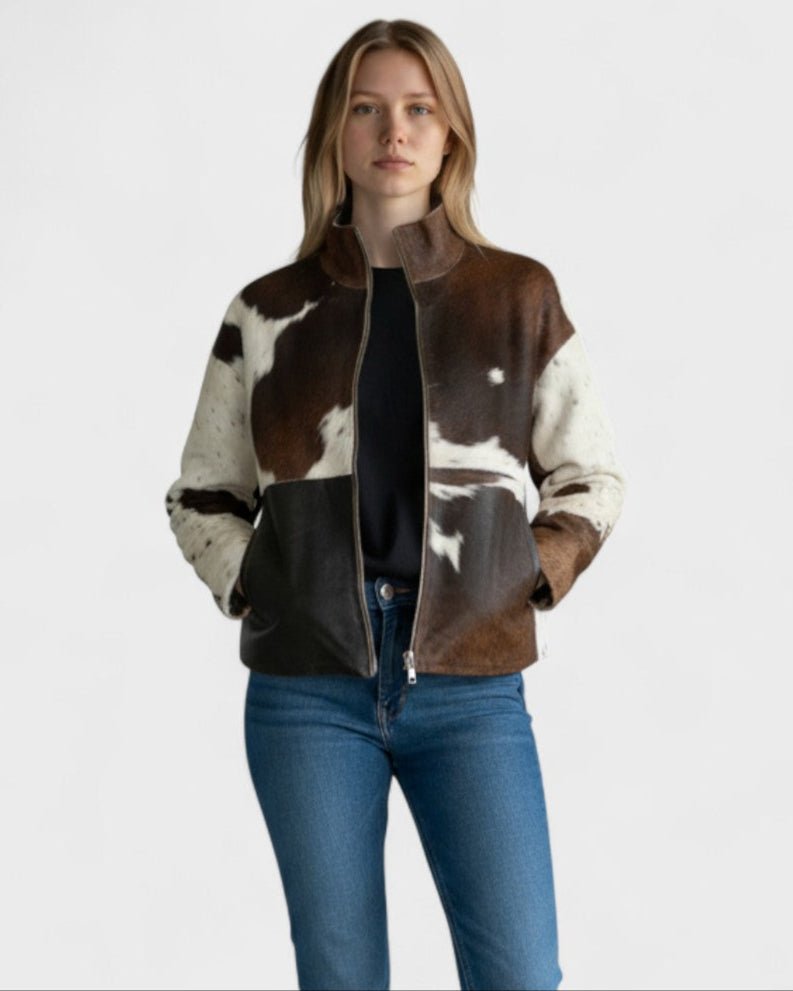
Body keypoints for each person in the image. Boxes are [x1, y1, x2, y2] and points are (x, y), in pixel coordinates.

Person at [164, 18, 625, 991]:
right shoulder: (266, 310)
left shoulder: (515, 294)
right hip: (305, 693)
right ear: (334, 133)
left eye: (418, 108)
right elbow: (203, 492)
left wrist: (517, 578)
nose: (394, 131)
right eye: (366, 109)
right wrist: (259, 584)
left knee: (520, 972)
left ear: (450, 132)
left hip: (471, 688)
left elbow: (588, 477)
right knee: (340, 977)